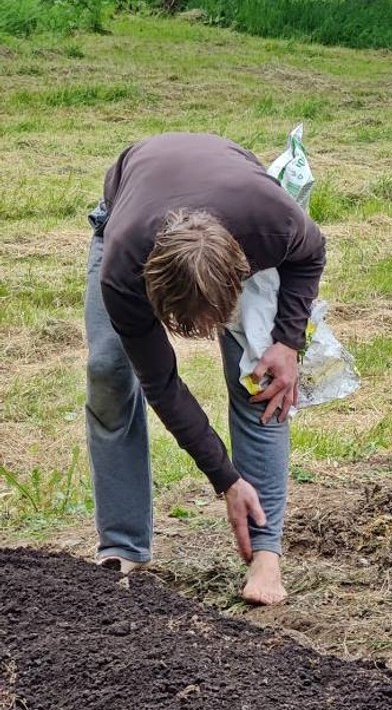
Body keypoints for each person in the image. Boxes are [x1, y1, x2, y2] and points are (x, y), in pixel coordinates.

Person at [85, 132, 326, 605]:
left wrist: (286, 342)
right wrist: (226, 481)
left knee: (262, 377)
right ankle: (123, 544)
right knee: (108, 370)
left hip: (232, 202)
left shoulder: (270, 223)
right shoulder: (124, 268)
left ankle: (265, 553)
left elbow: (310, 255)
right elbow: (163, 384)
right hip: (127, 205)